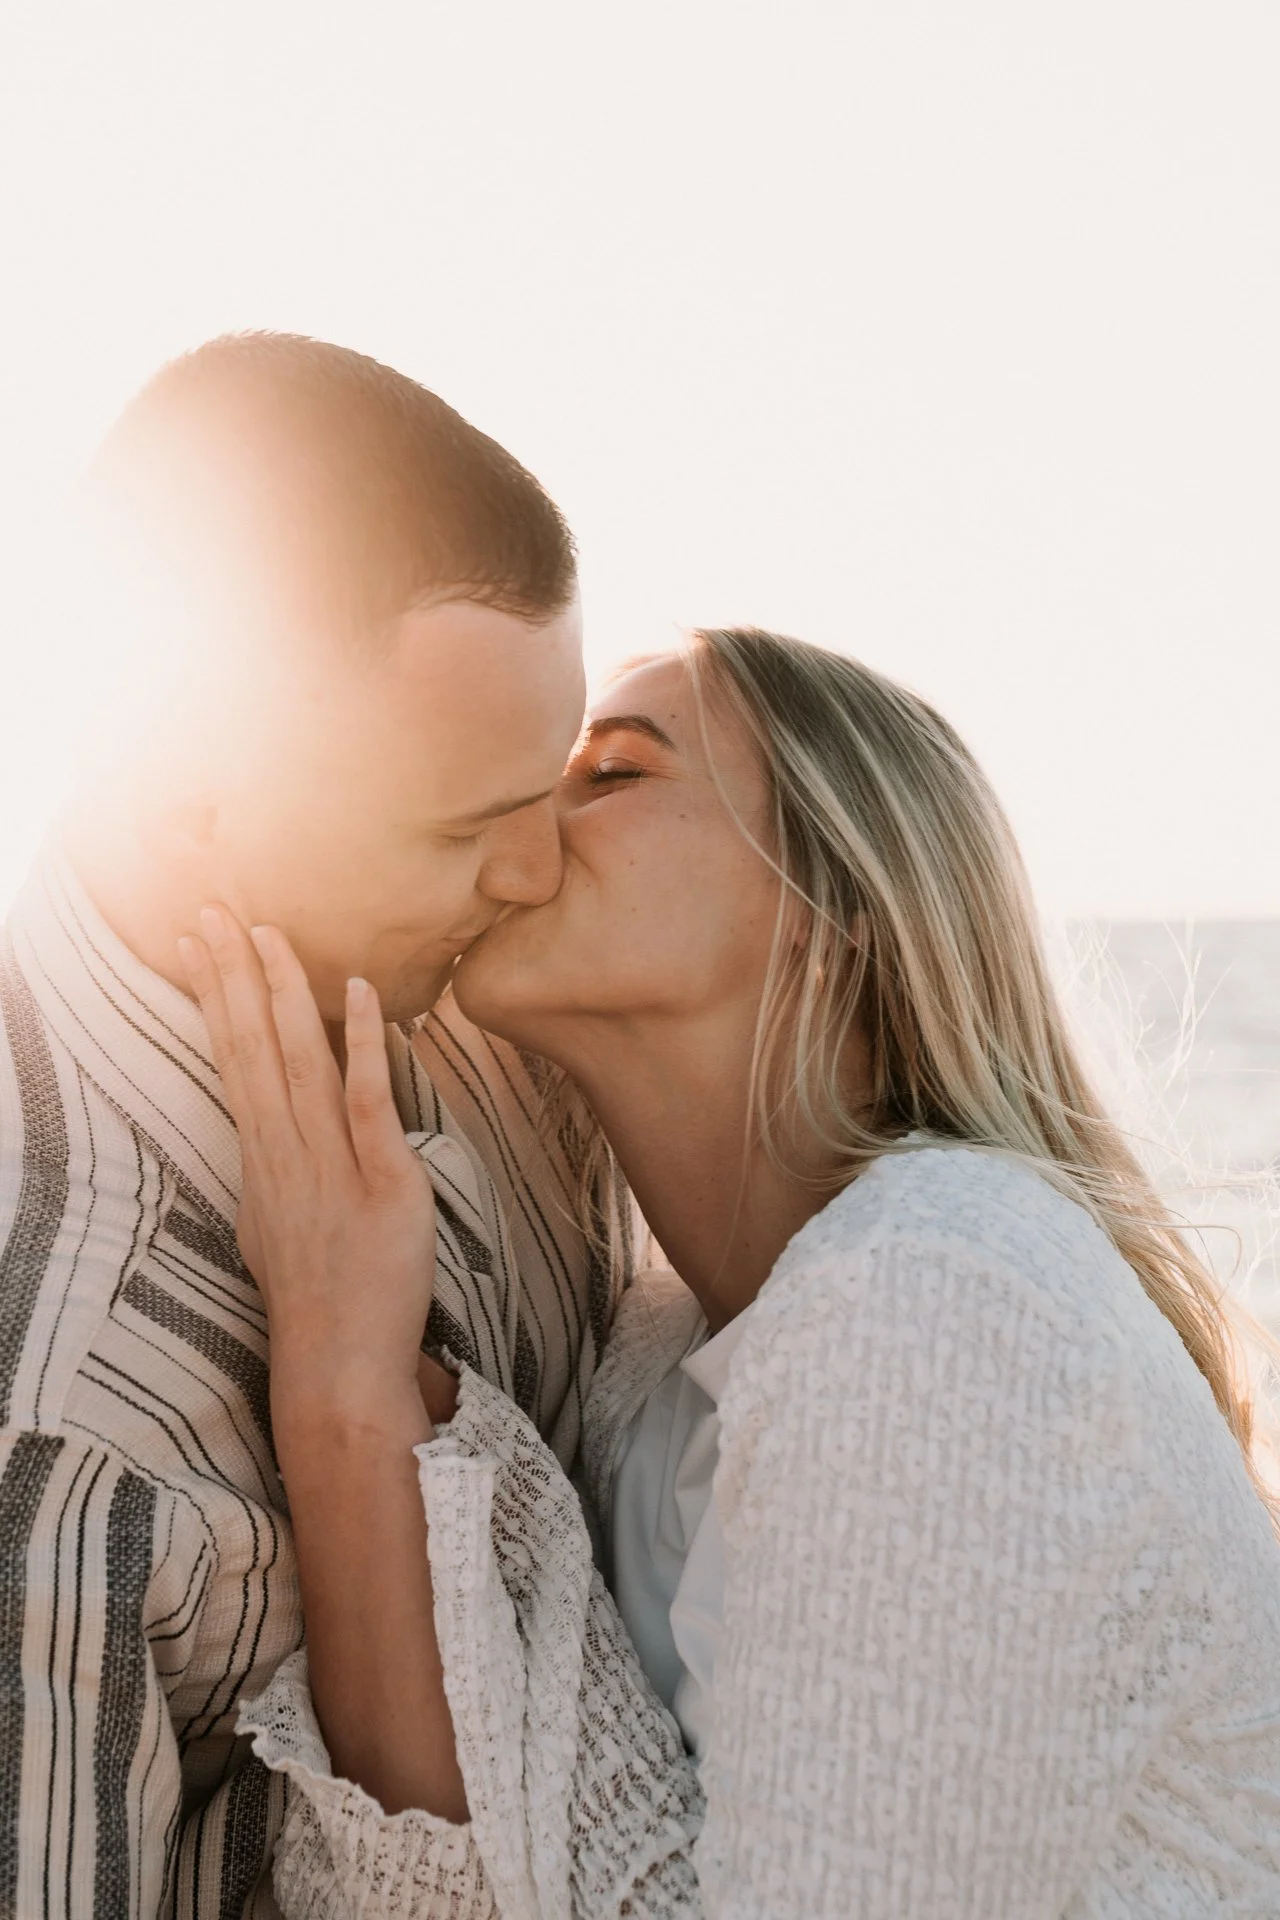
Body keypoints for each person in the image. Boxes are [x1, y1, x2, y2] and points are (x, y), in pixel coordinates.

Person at [191, 626, 1280, 1917]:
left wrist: (358, 1401)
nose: (526, 822)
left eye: (614, 775)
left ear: (832, 912)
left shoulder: (941, 1294)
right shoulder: (658, 1362)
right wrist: (341, 1384)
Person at [0, 333, 628, 1918]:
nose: (540, 873)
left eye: (546, 793)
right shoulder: (54, 1402)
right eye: (465, 828)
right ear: (194, 803)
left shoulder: (501, 1015)